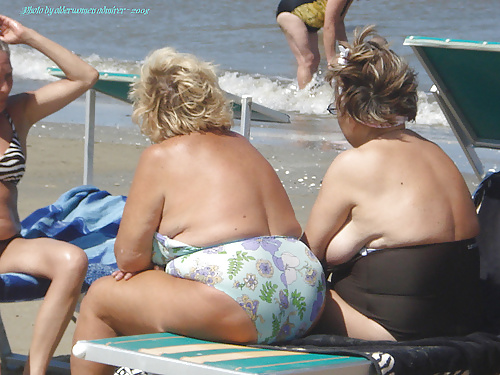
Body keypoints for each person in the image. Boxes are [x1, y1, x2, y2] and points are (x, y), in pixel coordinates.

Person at [71, 47, 326, 375]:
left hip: (238, 298)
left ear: (149, 105)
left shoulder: (161, 156)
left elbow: (129, 256)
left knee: (102, 298)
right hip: (305, 294)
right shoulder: (243, 144)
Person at [304, 26, 482, 341]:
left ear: (349, 105)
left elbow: (306, 258)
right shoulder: (436, 153)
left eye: (336, 109)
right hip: (460, 322)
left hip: (393, 332)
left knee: (278, 293)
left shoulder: (356, 164)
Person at [0, 14, 98, 375]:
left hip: (8, 246)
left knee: (72, 260)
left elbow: (86, 77)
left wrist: (27, 37)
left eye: (8, 76)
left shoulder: (17, 113)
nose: (4, 88)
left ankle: (34, 371)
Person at [276, 0, 354, 89]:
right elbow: (329, 25)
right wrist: (331, 59)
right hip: (292, 13)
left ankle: (309, 92)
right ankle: (304, 97)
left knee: (314, 60)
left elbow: (338, 22)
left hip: (308, 18)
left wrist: (347, 49)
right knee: (307, 60)